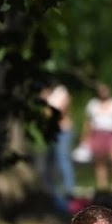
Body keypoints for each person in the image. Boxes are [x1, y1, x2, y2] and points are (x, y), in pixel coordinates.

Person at [81, 83, 112, 192]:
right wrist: (85, 136)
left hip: (111, 134)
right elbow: (88, 122)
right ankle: (102, 185)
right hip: (97, 133)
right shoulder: (92, 104)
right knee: (99, 161)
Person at [41, 79, 77, 214]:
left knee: (63, 160)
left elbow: (57, 112)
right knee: (50, 163)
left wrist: (46, 103)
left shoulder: (61, 93)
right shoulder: (50, 94)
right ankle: (52, 190)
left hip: (63, 130)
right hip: (53, 131)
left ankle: (69, 190)